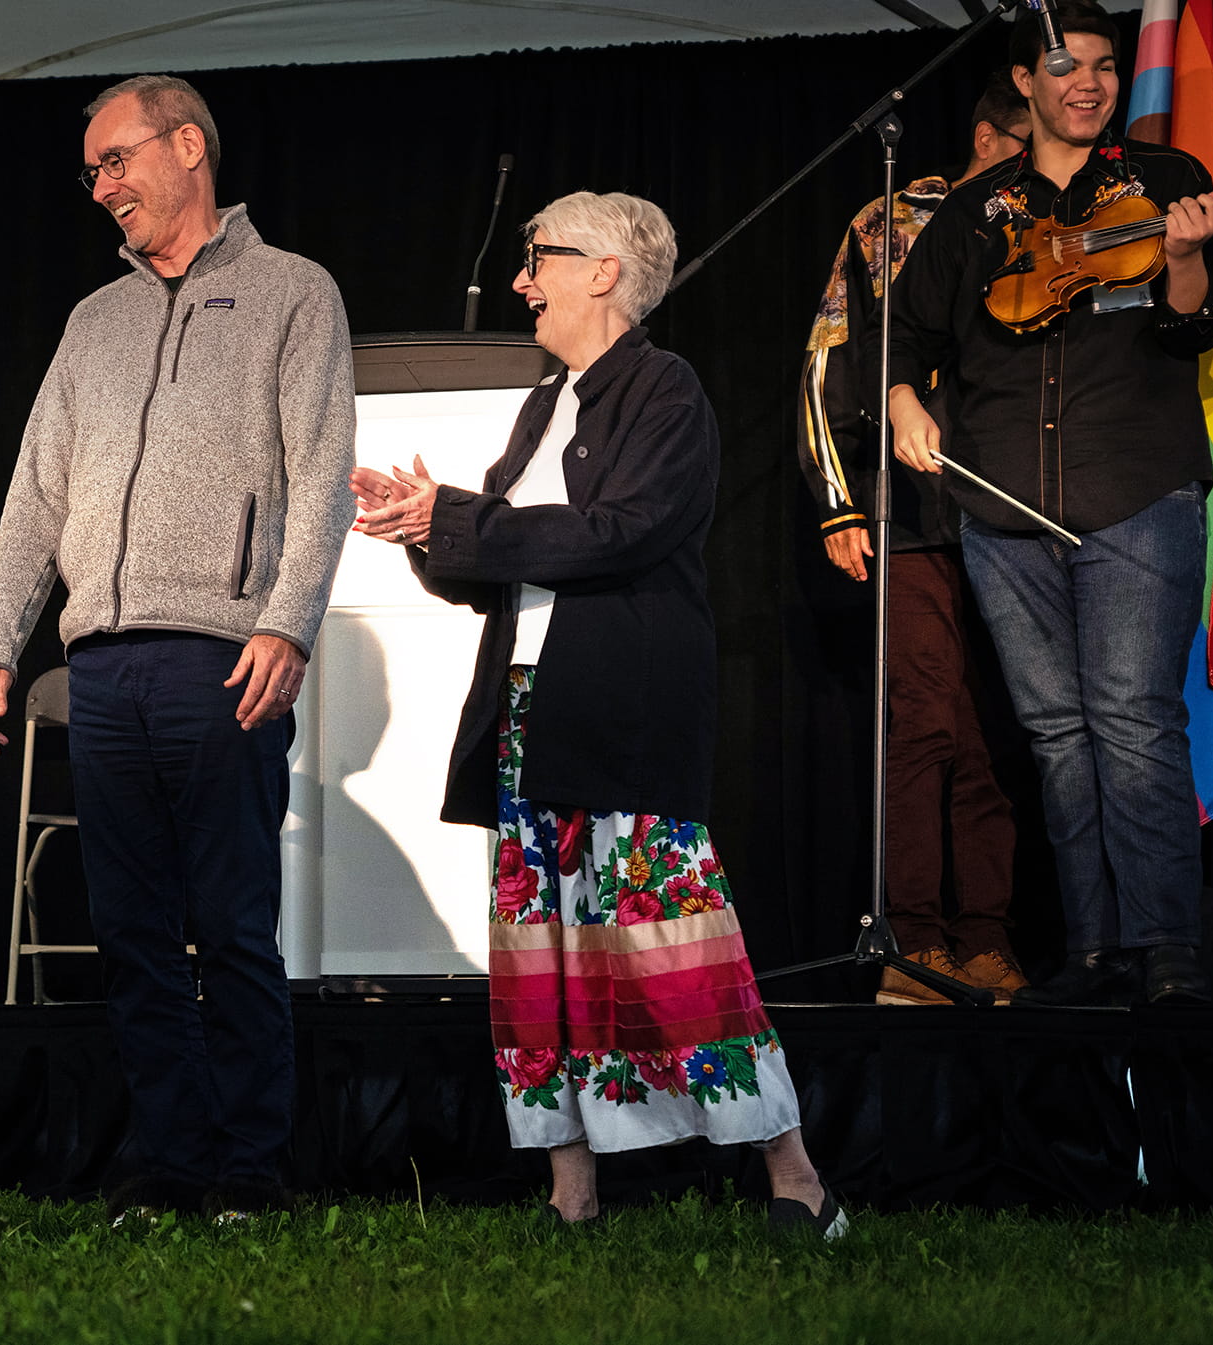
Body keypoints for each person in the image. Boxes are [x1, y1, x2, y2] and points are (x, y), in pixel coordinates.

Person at [352, 192, 844, 1238]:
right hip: (528, 710)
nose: (525, 280)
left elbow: (612, 533)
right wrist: (422, 529)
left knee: (669, 939)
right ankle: (571, 1193)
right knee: (543, 955)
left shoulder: (664, 391)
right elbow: (493, 569)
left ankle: (795, 1175)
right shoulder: (543, 403)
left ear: (607, 271)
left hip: (621, 711)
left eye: (542, 259)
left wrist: (464, 520)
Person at [0, 75, 355, 1224]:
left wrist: (286, 619)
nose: (102, 187)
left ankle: (249, 1167)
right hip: (104, 667)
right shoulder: (96, 320)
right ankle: (172, 1161)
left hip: (222, 655)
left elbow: (321, 472)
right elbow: (37, 495)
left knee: (229, 926)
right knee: (130, 933)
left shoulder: (293, 292)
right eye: (92, 172)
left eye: (116, 160)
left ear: (189, 146)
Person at [885, 2, 1213, 1007]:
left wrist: (1181, 255)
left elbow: (1196, 332)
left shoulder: (1165, 182)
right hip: (1003, 504)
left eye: (1104, 66)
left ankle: (1168, 951)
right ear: (1024, 84)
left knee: (1131, 722)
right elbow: (902, 337)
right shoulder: (971, 213)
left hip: (1134, 489)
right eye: (1064, 65)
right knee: (1056, 734)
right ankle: (1093, 954)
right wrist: (907, 395)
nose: (1087, 81)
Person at [799, 74, 1030, 1005]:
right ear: (988, 138)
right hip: (916, 512)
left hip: (1018, 512)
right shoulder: (891, 217)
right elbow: (829, 353)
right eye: (1024, 147)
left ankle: (982, 940)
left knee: (992, 738)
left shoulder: (1049, 219)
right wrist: (837, 499)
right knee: (926, 722)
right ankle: (915, 945)